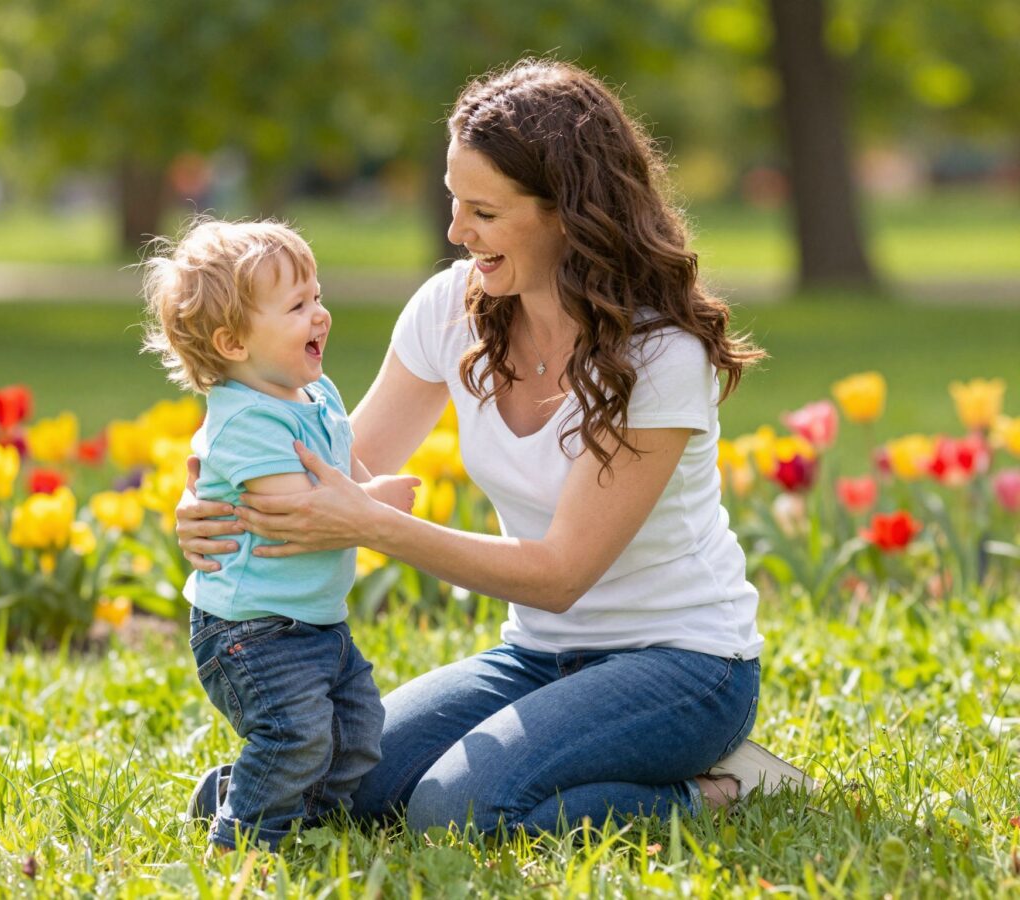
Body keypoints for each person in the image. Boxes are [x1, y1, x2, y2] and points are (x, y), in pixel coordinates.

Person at [175, 60, 813, 838]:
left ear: (568, 213)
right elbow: (345, 468)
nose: (454, 231)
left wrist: (372, 525)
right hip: (538, 658)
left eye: (482, 209)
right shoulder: (452, 308)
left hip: (684, 666)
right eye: (453, 199)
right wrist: (228, 497)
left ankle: (717, 791)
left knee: (455, 810)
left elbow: (559, 576)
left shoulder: (660, 356)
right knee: (345, 783)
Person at [141, 218, 419, 851]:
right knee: (297, 734)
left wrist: (369, 490)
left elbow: (342, 469)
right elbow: (298, 514)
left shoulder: (316, 394)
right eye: (298, 305)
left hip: (316, 623)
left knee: (357, 735)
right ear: (233, 342)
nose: (320, 314)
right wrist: (377, 506)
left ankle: (254, 800)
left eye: (317, 296)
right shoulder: (243, 422)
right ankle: (244, 841)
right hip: (251, 631)